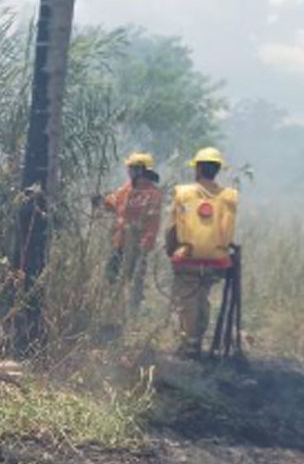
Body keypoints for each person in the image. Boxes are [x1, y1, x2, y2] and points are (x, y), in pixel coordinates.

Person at [165, 146, 238, 360]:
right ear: (217, 170)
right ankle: (195, 339)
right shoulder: (229, 196)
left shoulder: (183, 193)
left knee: (187, 299)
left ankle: (190, 344)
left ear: (198, 169)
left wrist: (171, 250)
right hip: (216, 261)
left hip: (187, 258)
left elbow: (171, 228)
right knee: (202, 297)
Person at [94, 151, 163, 311]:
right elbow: (113, 204)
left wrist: (145, 247)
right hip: (119, 243)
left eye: (131, 168)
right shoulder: (126, 189)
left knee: (132, 282)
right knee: (111, 276)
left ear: (141, 170)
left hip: (137, 247)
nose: (128, 171)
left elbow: (153, 223)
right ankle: (112, 308)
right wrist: (100, 201)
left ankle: (130, 313)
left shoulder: (152, 194)